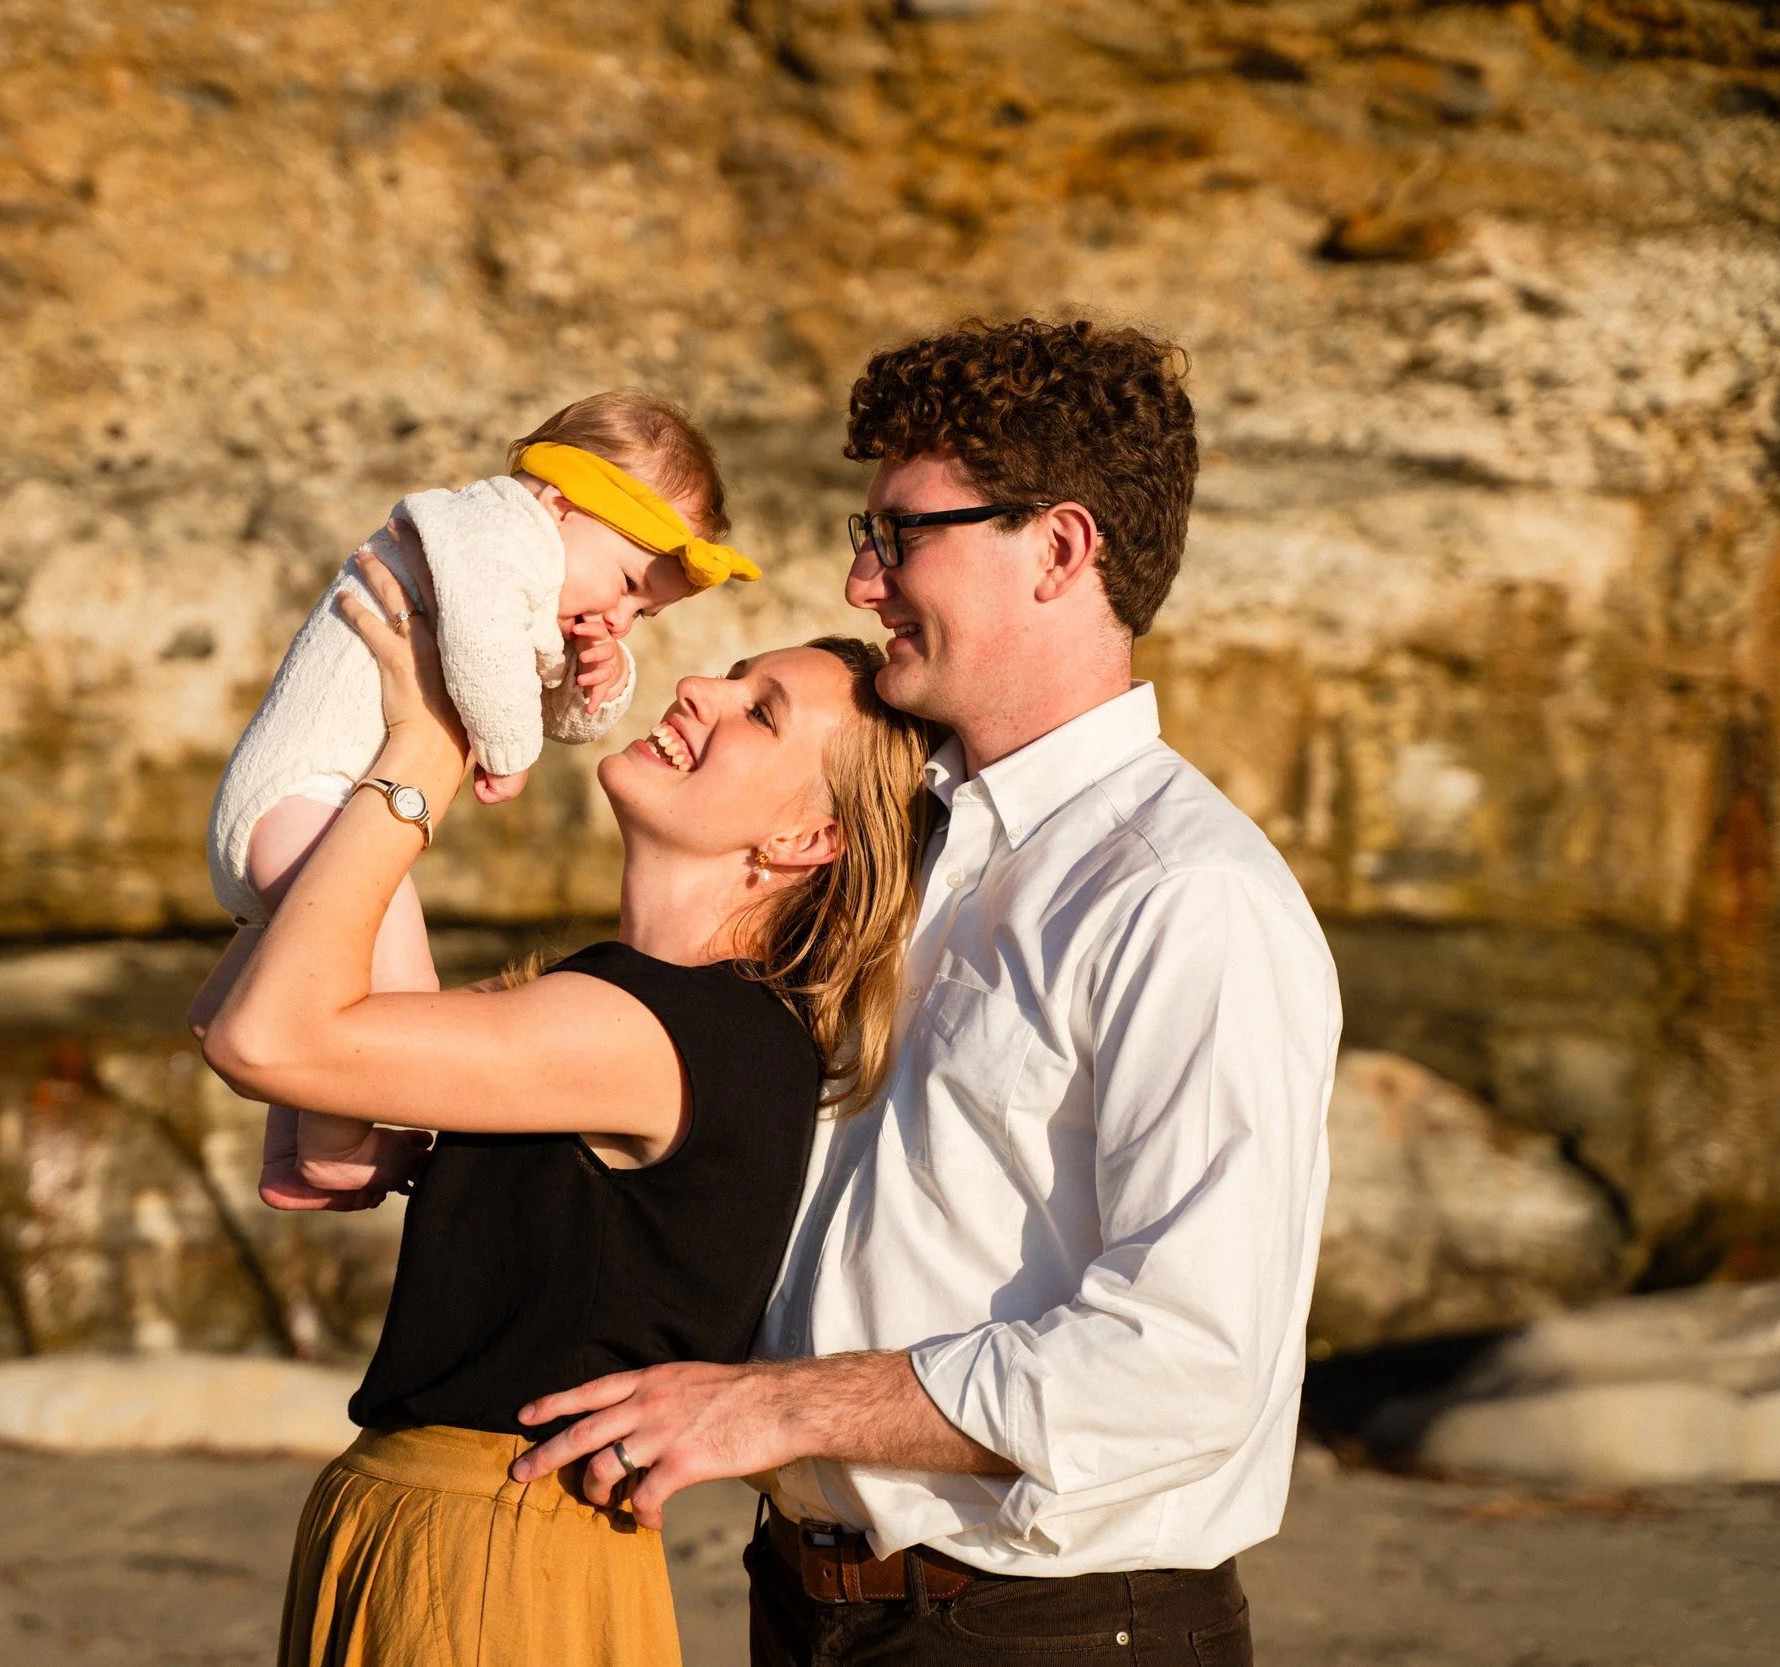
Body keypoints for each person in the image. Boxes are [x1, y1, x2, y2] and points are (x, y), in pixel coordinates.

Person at [512, 316, 1343, 1666]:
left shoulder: (1187, 898)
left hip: (1053, 1631)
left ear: (1061, 550)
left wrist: (776, 1410)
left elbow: (1191, 1361)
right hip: (804, 1600)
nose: (860, 576)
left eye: (903, 535)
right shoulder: (907, 838)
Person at [195, 553, 936, 1667]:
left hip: (489, 1554)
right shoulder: (643, 1014)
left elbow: (266, 1036)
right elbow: (244, 1029)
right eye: (732, 674)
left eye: (758, 711)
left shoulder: (659, 1033)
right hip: (454, 1531)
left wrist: (422, 749)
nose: (700, 690)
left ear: (802, 841)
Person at [190, 391, 763, 1203]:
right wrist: (507, 752)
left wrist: (598, 681)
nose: (621, 616)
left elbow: (549, 701)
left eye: (643, 611)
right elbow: (485, 656)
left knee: (311, 967)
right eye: (628, 584)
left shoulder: (528, 570)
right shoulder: (491, 536)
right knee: (389, 993)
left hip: (312, 810)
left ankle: (286, 1146)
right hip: (305, 801)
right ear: (561, 505)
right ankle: (336, 1153)